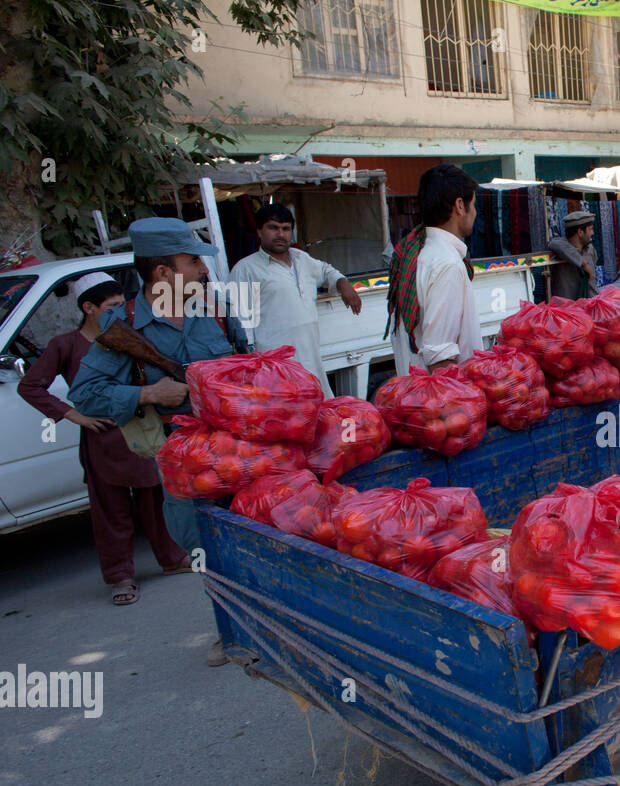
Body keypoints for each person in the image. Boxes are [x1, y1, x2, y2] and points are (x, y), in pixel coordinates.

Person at [70, 218, 249, 665]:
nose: (203, 271)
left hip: (238, 450)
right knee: (203, 548)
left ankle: (271, 627)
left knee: (259, 533)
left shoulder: (218, 310)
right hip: (181, 460)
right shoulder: (122, 324)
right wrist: (147, 393)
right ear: (162, 273)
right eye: (193, 262)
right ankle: (229, 631)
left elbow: (250, 363)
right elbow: (84, 395)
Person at [18, 273, 189, 606]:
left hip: (141, 433)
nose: (118, 313)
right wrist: (74, 415)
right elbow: (30, 386)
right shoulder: (65, 345)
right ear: (88, 307)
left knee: (156, 499)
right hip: (102, 442)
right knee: (110, 511)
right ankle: (119, 576)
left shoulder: (132, 337)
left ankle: (171, 558)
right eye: (110, 307)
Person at [227, 202, 362, 395]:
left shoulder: (301, 258)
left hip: (310, 360)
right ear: (259, 231)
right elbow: (241, 325)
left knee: (317, 412)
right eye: (273, 228)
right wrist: (253, 367)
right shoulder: (245, 269)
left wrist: (343, 284)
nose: (280, 235)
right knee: (288, 419)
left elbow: (325, 270)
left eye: (286, 229)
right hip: (276, 369)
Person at [386, 164, 482, 375]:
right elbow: (440, 359)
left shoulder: (419, 253)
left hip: (419, 395)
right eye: (473, 204)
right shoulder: (447, 264)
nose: (474, 212)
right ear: (459, 205)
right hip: (445, 401)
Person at [548, 210, 601, 300]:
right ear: (580, 232)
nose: (593, 233)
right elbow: (554, 244)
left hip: (587, 305)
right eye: (590, 229)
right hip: (567, 309)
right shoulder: (561, 246)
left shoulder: (589, 249)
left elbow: (592, 282)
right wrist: (583, 263)